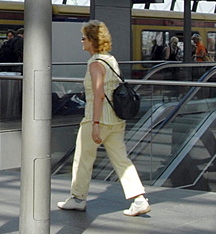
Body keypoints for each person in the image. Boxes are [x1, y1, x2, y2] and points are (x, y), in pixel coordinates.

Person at [57, 20, 151, 217]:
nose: (81, 41)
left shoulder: (95, 63)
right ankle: (139, 199)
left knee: (83, 158)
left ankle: (77, 198)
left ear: (92, 40)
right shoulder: (110, 59)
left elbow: (99, 94)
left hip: (96, 118)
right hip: (116, 119)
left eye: (84, 38)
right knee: (121, 160)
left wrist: (96, 124)